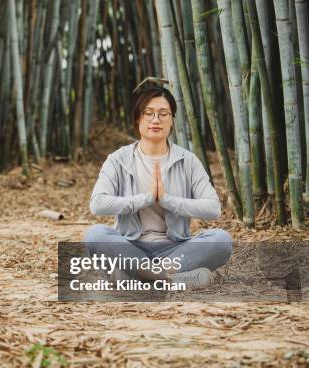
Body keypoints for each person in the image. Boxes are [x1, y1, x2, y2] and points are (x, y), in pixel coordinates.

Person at [83, 84, 233, 289]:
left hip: (176, 250)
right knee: (96, 235)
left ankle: (136, 278)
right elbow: (97, 204)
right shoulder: (118, 159)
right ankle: (170, 280)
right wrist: (144, 199)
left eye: (164, 114)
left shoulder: (187, 160)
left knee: (221, 240)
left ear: (172, 121)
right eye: (149, 113)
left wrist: (168, 200)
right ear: (138, 118)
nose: (156, 119)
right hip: (130, 247)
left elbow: (213, 208)